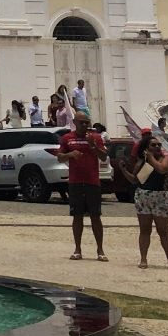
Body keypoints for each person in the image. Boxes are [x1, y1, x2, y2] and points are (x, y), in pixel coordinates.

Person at [57, 110, 108, 261]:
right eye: (82, 122)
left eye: (87, 122)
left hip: (92, 181)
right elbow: (59, 157)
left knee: (95, 216)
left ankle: (100, 250)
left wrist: (93, 146)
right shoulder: (67, 138)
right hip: (75, 182)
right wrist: (70, 155)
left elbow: (104, 156)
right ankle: (77, 249)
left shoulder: (95, 137)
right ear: (75, 122)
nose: (85, 125)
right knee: (77, 216)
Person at [129, 129, 168, 270]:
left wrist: (150, 158)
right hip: (144, 195)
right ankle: (143, 259)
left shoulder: (166, 159)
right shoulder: (141, 162)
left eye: (158, 145)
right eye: (153, 145)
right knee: (144, 229)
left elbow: (162, 169)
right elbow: (136, 179)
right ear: (146, 148)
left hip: (160, 196)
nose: (157, 147)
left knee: (163, 230)